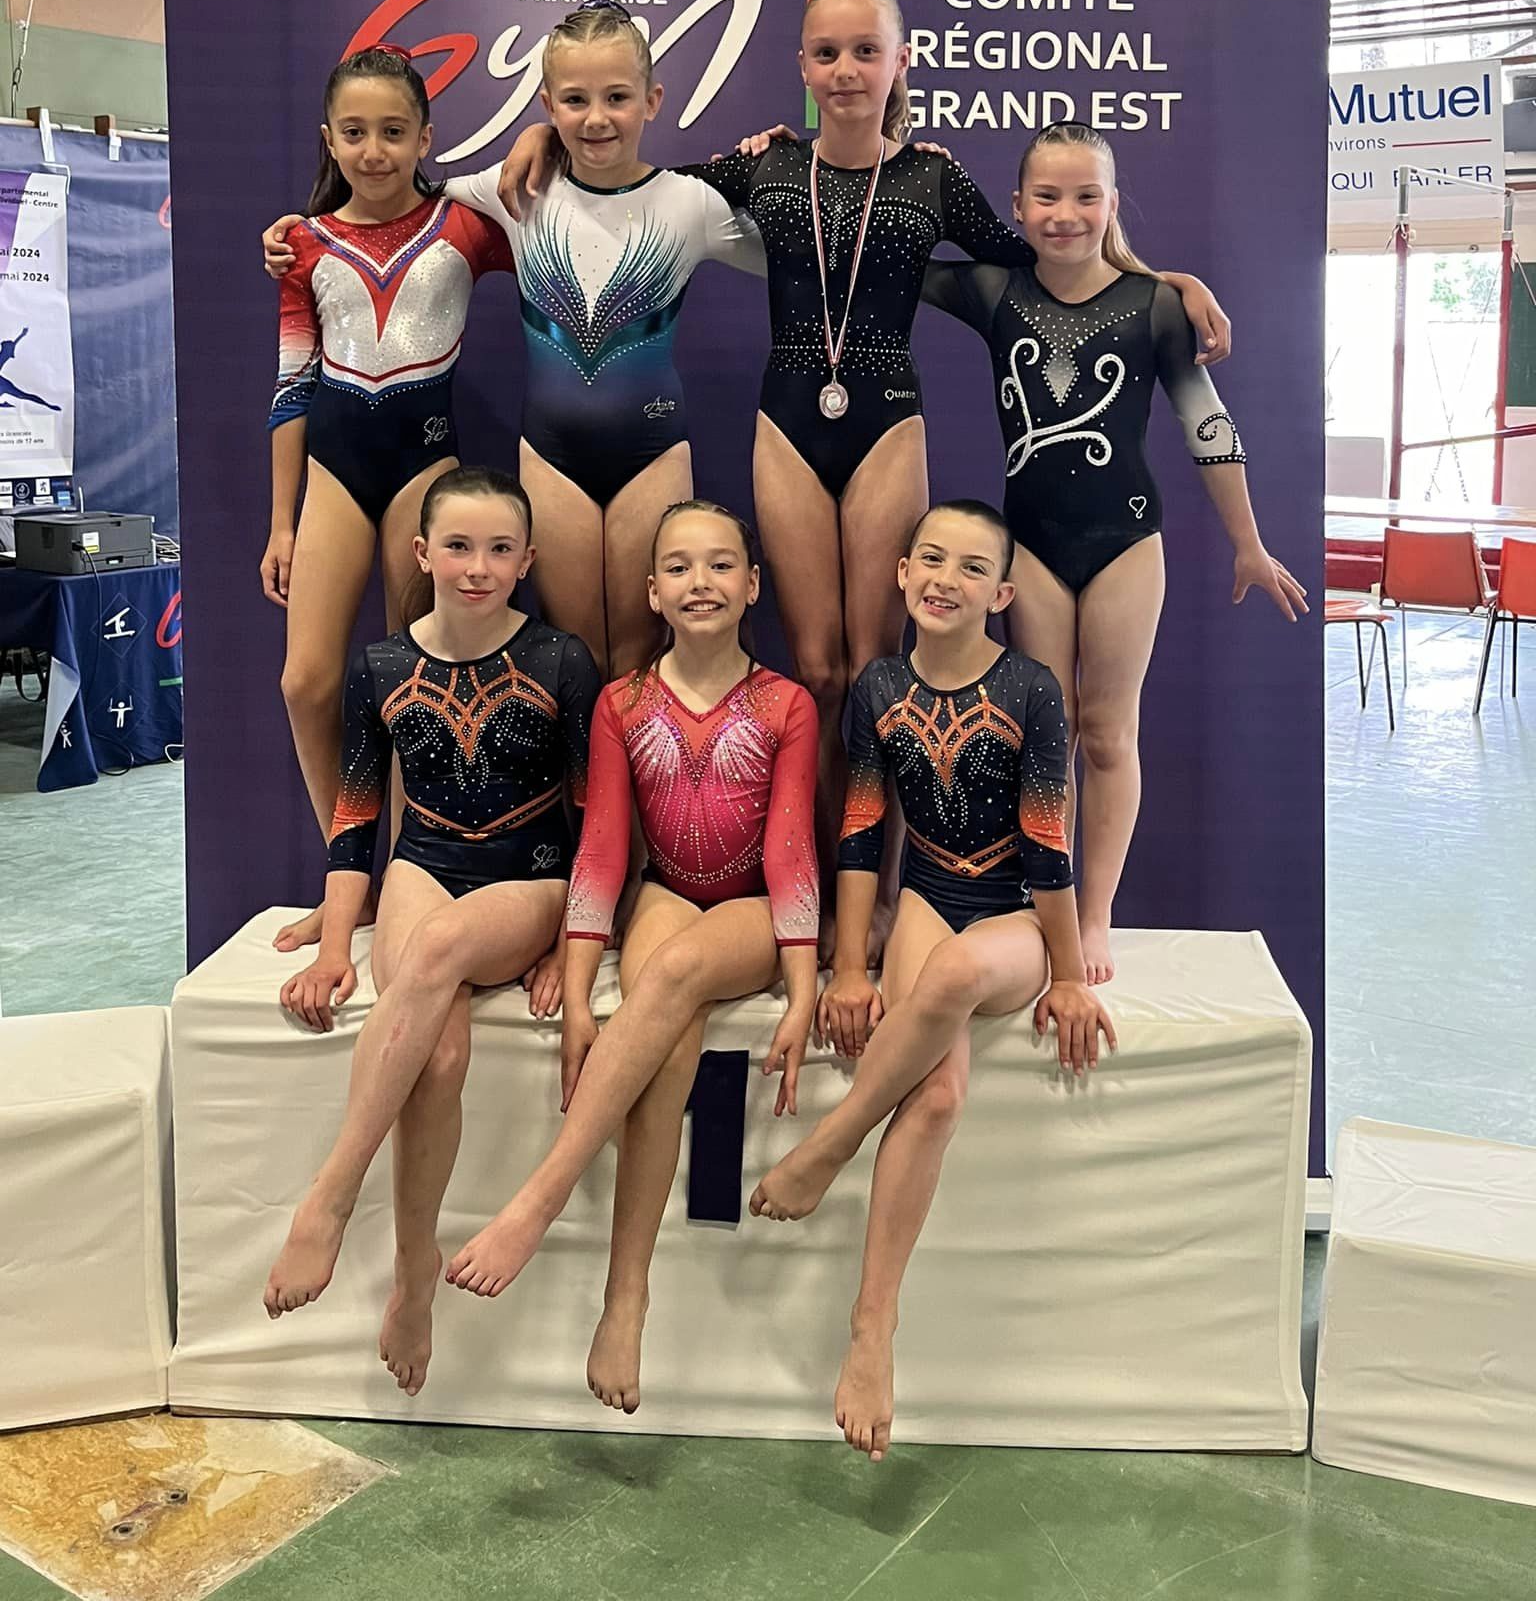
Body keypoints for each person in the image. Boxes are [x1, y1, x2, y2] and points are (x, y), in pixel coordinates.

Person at [493, 0, 1229, 869]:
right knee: (818, 670)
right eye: (828, 53)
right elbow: (632, 183)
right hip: (787, 423)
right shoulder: (765, 167)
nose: (846, 70)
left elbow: (1042, 260)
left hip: (887, 423)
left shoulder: (931, 176)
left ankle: (877, 889)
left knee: (879, 671)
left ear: (900, 62)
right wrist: (541, 134)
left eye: (866, 52)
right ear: (802, 66)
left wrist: (1159, 280)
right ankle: (807, 874)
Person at [748, 499, 1116, 1461]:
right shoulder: (879, 688)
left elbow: (1048, 844)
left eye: (973, 567)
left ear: (1003, 594)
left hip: (1016, 918)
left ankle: (830, 1143)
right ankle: (873, 1327)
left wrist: (1066, 974)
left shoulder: (1032, 689)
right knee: (940, 1095)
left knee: (953, 971)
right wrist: (851, 963)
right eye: (932, 560)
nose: (947, 579)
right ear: (903, 573)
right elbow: (863, 833)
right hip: (927, 897)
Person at [443, 500, 821, 1418]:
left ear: (754, 585)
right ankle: (627, 1296)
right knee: (664, 1009)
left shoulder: (787, 704)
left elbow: (790, 852)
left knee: (679, 974)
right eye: (680, 567)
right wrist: (578, 995)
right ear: (651, 591)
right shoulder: (622, 703)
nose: (701, 583)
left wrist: (804, 987)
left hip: (750, 907)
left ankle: (539, 1199)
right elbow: (604, 852)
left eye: (721, 565)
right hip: (666, 894)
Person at [260, 2, 766, 683]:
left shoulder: (689, 202)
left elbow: (802, 255)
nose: (597, 118)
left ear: (652, 100)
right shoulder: (513, 190)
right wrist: (299, 238)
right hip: (551, 457)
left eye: (617, 98)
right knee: (575, 655)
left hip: (653, 450)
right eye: (574, 100)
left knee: (645, 656)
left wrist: (778, 163)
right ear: (548, 103)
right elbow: (399, 200)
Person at [923, 124, 1307, 983]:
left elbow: (1206, 422)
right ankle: (1051, 905)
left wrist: (1247, 541)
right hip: (1034, 547)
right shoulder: (993, 290)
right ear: (1017, 207)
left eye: (1085, 197)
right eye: (1046, 198)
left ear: (1112, 204)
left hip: (1126, 542)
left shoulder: (1155, 307)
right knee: (1048, 732)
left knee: (1106, 733)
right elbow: (884, 259)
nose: (1065, 214)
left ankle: (1095, 914)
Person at [262, 466, 599, 1399]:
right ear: (421, 554)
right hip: (423, 865)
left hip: (529, 874)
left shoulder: (562, 660)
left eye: (499, 550)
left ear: (527, 560)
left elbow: (594, 822)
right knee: (439, 1053)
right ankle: (416, 1271)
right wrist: (338, 945)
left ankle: (330, 1197)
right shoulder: (380, 667)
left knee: (442, 949)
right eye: (458, 547)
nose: (478, 567)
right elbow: (356, 821)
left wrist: (574, 945)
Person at [262, 45, 513, 949]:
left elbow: (565, 221)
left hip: (425, 465)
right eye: (356, 133)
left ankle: (413, 875)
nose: (374, 151)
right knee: (307, 682)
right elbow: (292, 386)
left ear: (426, 138)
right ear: (330, 139)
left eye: (394, 132)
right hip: (336, 466)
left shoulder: (465, 227)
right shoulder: (303, 244)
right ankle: (350, 875)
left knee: (417, 689)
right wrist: (281, 522)